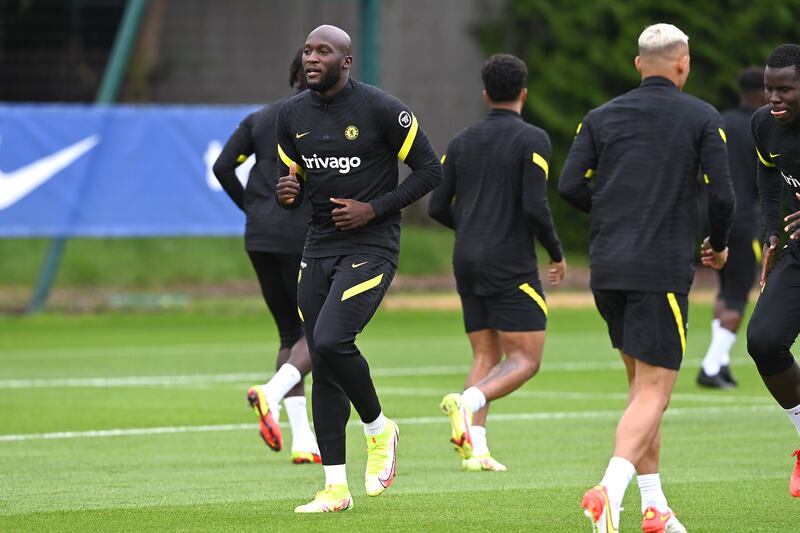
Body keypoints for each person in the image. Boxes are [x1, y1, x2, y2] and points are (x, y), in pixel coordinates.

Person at [558, 23, 735, 532]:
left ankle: (655, 508)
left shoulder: (600, 116)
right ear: (684, 63)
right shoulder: (701, 116)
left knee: (641, 390)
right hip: (659, 269)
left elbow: (570, 185)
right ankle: (610, 491)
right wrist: (717, 244)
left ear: (639, 64)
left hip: (608, 268)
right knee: (656, 391)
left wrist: (612, 211)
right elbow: (723, 196)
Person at [275, 25, 442, 512]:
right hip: (319, 244)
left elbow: (432, 170)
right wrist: (288, 195)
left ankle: (379, 428)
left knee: (328, 340)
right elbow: (293, 183)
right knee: (323, 364)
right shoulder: (292, 114)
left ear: (346, 61)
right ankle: (334, 487)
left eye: (323, 51)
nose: (311, 58)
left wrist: (375, 209)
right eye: (307, 50)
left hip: (372, 244)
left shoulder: (382, 109)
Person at [428, 53, 565, 473]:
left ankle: (477, 450)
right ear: (523, 93)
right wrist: (556, 253)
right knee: (526, 359)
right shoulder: (533, 139)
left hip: (466, 260)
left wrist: (470, 229)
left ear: (485, 94)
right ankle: (467, 404)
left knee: (486, 355)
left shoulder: (462, 141)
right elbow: (536, 208)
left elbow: (436, 206)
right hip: (510, 264)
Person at [212, 50, 319, 464]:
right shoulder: (322, 119)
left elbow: (224, 167)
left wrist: (252, 208)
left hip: (259, 236)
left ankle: (303, 440)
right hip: (302, 235)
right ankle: (273, 396)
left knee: (288, 335)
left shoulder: (260, 118)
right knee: (321, 329)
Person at [746, 43, 800, 498]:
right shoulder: (764, 125)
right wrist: (770, 234)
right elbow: (768, 177)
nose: (774, 98)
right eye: (769, 88)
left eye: (786, 89)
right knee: (763, 339)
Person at [697, 67, 767, 389]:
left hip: (711, 216)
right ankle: (711, 366)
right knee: (738, 292)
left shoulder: (719, 121)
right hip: (742, 219)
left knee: (725, 290)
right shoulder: (763, 126)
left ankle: (719, 361)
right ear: (764, 92)